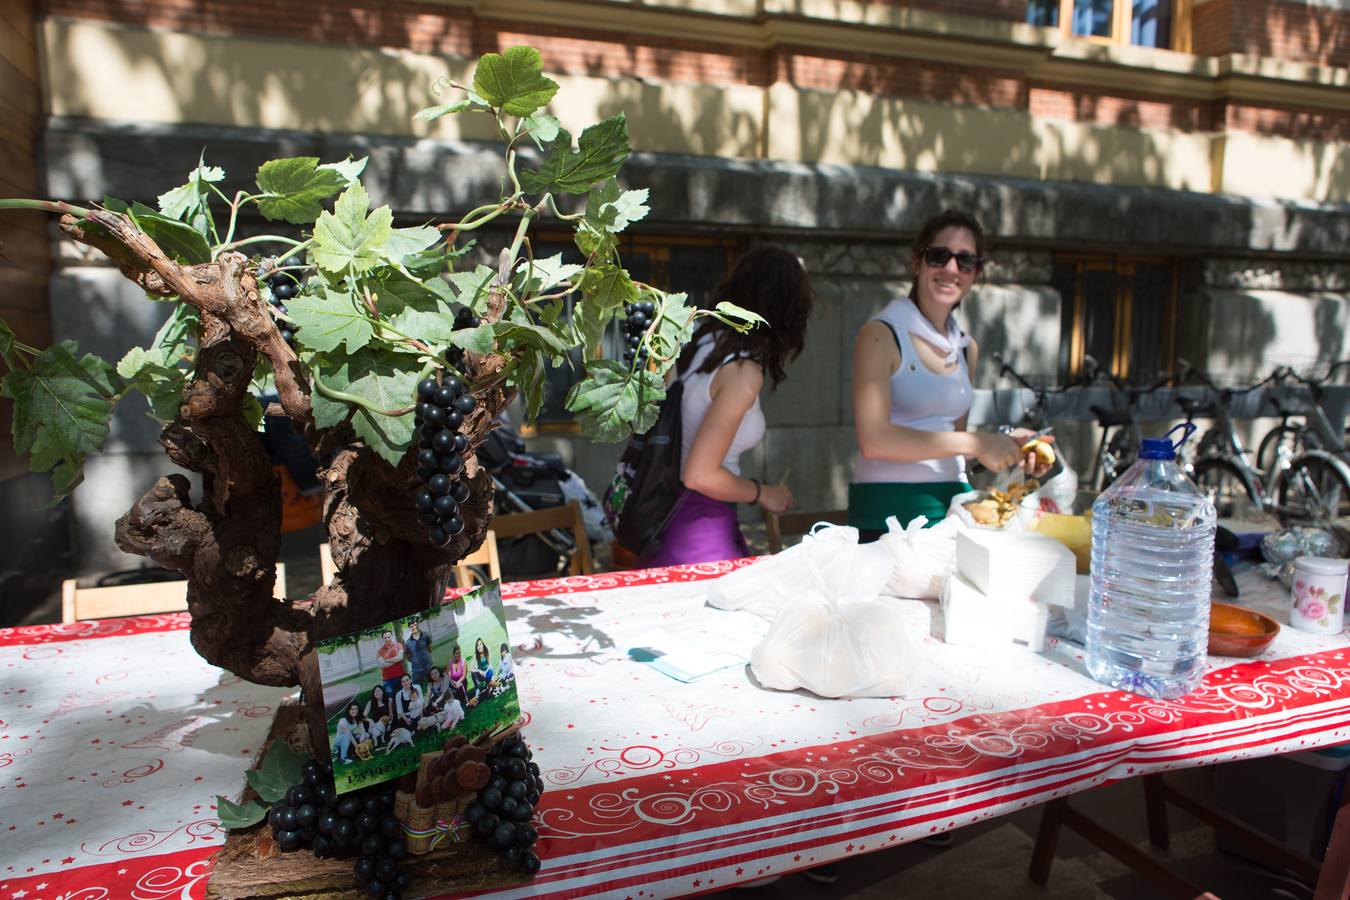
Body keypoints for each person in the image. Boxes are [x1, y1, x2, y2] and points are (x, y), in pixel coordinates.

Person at [848, 208, 1050, 542]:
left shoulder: (966, 347)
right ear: (917, 262)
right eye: (939, 256)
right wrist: (975, 441)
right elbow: (874, 440)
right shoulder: (880, 334)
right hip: (887, 513)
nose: (951, 269)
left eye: (965, 261)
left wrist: (1007, 445)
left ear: (976, 272)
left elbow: (948, 443)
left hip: (954, 508)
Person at [637, 246, 816, 567]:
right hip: (699, 525)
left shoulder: (696, 339)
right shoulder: (742, 371)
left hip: (662, 513)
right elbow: (699, 475)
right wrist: (764, 493)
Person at [375, 629, 406, 699]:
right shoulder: (379, 651)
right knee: (391, 699)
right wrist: (396, 659)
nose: (387, 639)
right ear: (383, 639)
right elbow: (381, 664)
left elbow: (400, 657)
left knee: (404, 696)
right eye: (385, 638)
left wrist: (386, 660)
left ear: (392, 636)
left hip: (400, 676)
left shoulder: (398, 645)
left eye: (389, 637)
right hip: (388, 680)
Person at [403, 619, 434, 690]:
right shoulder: (408, 643)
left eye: (414, 625)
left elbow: (430, 649)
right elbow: (409, 658)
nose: (413, 627)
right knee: (416, 688)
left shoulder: (425, 635)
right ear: (409, 628)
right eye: (411, 626)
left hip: (428, 665)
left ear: (417, 625)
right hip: (416, 669)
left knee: (434, 682)